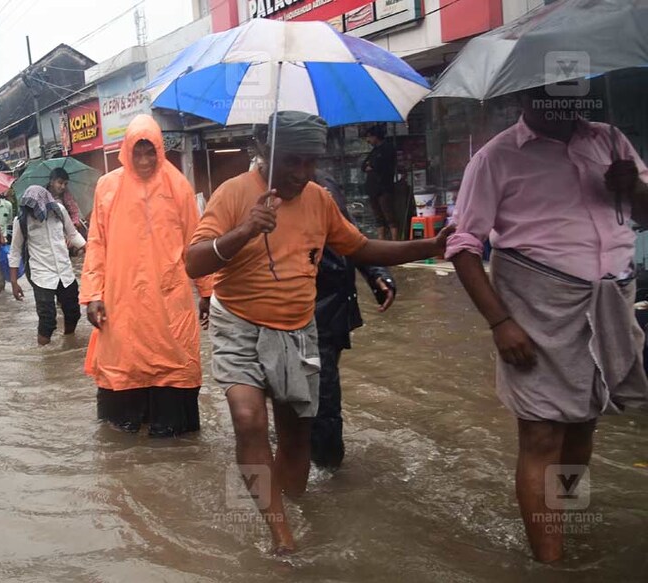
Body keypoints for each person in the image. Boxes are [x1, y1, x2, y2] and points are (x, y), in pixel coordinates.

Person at [186, 112, 450, 553]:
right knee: (249, 421)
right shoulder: (232, 195)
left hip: (297, 328)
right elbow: (194, 262)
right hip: (239, 324)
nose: (303, 174)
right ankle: (281, 535)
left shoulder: (320, 199)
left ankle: (290, 506)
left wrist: (428, 247)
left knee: (297, 435)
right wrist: (245, 230)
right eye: (293, 161)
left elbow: (360, 247)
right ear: (263, 151)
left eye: (310, 162)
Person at [447, 86, 648, 563]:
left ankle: (567, 525)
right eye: (545, 90)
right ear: (523, 97)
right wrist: (500, 322)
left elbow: (644, 212)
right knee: (541, 433)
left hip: (611, 303)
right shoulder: (495, 158)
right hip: (536, 308)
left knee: (583, 425)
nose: (562, 98)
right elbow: (463, 247)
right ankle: (550, 563)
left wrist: (633, 187)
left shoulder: (612, 142)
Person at [81, 114, 213, 437]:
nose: (143, 160)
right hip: (121, 300)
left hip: (168, 301)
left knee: (172, 369)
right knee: (123, 375)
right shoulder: (108, 187)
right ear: (126, 151)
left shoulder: (177, 185)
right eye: (137, 152)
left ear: (159, 151)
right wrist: (92, 295)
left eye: (149, 152)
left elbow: (194, 241)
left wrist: (207, 291)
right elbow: (96, 244)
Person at [310, 172, 396, 470]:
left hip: (333, 306)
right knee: (315, 396)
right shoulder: (266, 191)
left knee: (324, 394)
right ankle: (320, 470)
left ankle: (328, 471)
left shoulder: (326, 184)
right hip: (298, 309)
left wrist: (375, 273)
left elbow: (350, 236)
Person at [9, 185, 86, 345]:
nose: (33, 211)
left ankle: (68, 341)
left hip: (65, 271)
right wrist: (14, 282)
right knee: (47, 320)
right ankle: (45, 355)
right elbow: (15, 251)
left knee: (73, 312)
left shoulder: (59, 211)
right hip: (41, 275)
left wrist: (89, 250)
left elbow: (72, 234)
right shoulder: (21, 220)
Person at [362, 125, 399, 241]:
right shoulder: (374, 151)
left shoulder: (388, 149)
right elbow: (364, 165)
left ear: (376, 136)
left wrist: (371, 165)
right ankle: (381, 239)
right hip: (373, 188)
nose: (368, 140)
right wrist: (369, 165)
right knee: (378, 216)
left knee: (389, 215)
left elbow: (379, 165)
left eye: (369, 137)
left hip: (384, 187)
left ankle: (394, 239)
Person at [47, 167, 87, 239]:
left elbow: (74, 212)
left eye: (65, 184)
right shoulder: (43, 197)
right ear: (51, 182)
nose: (63, 187)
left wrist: (73, 227)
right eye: (60, 183)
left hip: (69, 229)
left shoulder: (66, 195)